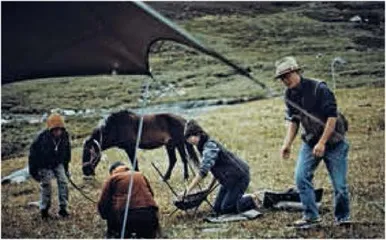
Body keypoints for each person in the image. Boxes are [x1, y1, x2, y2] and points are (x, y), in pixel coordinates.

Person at [276, 56, 350, 228]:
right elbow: (294, 121)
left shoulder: (319, 88)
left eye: (287, 75)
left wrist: (323, 142)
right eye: (281, 78)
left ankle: (343, 218)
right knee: (301, 177)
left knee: (339, 186)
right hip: (310, 142)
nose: (285, 80)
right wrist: (287, 144)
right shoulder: (289, 95)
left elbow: (332, 117)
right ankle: (311, 217)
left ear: (297, 72)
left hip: (334, 142)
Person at [182, 120, 259, 216]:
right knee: (217, 209)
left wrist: (188, 190)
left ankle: (250, 199)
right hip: (228, 180)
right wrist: (208, 188)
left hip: (239, 177)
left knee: (226, 208)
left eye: (189, 137)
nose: (188, 141)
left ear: (197, 134)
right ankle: (238, 198)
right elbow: (215, 170)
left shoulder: (209, 146)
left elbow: (203, 172)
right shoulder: (202, 146)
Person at [98, 161, 160, 238]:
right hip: (151, 215)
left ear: (113, 171)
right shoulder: (140, 175)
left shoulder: (113, 178)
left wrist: (106, 217)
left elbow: (103, 203)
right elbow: (151, 194)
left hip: (128, 217)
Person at [29, 113, 71, 219]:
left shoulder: (65, 136)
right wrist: (33, 171)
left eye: (60, 129)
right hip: (44, 164)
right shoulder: (41, 139)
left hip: (58, 163)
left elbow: (67, 153)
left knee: (63, 182)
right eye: (55, 129)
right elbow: (32, 155)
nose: (58, 132)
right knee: (46, 185)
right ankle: (44, 210)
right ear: (50, 129)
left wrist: (66, 169)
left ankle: (63, 209)